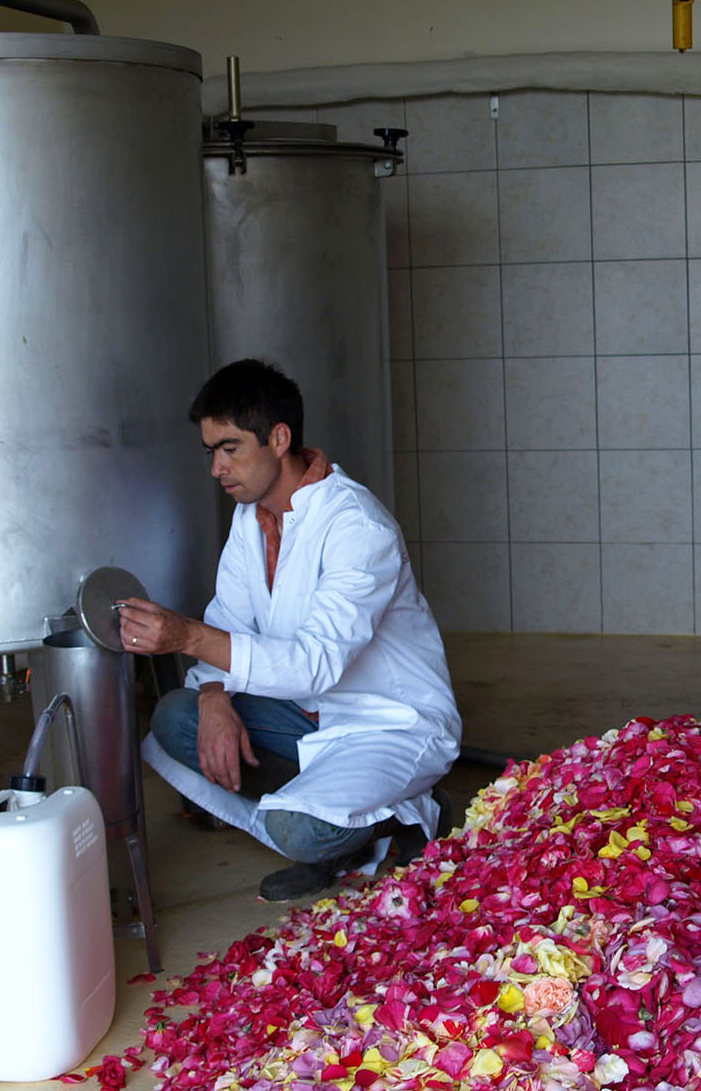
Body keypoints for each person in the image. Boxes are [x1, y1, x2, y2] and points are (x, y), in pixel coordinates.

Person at [117, 358, 461, 902]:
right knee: (177, 718)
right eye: (211, 452)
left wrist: (184, 638)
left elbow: (316, 663)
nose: (216, 469)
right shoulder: (249, 517)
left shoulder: (356, 526)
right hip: (302, 715)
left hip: (388, 723)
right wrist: (212, 696)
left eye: (230, 449)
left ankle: (406, 812)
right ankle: (327, 814)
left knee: (296, 832)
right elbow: (228, 619)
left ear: (279, 438)